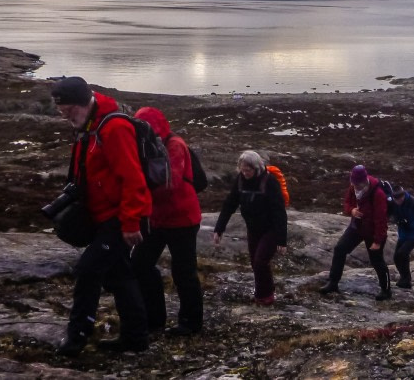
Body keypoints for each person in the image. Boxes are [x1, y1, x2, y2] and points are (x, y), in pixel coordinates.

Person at [51, 77, 151, 356]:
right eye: (62, 111)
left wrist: (131, 223)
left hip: (120, 218)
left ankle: (77, 337)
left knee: (88, 270)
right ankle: (135, 338)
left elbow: (133, 180)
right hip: (105, 216)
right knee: (119, 276)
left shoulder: (114, 128)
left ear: (83, 103)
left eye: (68, 110)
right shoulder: (90, 127)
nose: (66, 116)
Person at [131, 107, 203, 336]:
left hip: (183, 219)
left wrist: (136, 189)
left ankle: (191, 323)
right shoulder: (145, 146)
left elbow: (171, 182)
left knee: (183, 272)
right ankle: (154, 318)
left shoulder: (175, 145)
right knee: (140, 265)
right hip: (157, 219)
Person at [213, 150, 287, 305]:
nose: (245, 173)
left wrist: (281, 239)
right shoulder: (240, 180)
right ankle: (265, 292)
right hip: (253, 228)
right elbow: (230, 204)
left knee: (260, 261)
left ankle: (265, 296)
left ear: (257, 168)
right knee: (255, 263)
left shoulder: (270, 182)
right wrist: (219, 228)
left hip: (270, 229)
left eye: (248, 170)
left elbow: (279, 211)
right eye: (242, 169)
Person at [319, 165, 391, 301]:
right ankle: (333, 283)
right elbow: (347, 203)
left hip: (372, 231)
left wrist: (377, 241)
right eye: (353, 183)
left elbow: (381, 219)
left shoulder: (378, 194)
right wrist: (351, 210)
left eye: (357, 184)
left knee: (377, 260)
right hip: (356, 227)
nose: (354, 186)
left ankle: (386, 290)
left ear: (364, 182)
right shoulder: (353, 187)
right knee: (340, 249)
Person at [390, 186, 414, 289]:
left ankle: (406, 280)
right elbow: (391, 214)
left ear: (403, 196)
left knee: (402, 253)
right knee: (396, 257)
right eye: (396, 199)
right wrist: (396, 220)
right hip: (403, 233)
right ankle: (404, 278)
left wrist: (411, 225)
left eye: (400, 199)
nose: (398, 201)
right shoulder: (393, 202)